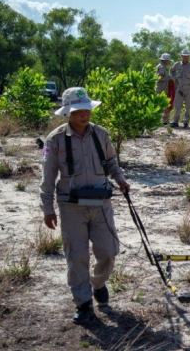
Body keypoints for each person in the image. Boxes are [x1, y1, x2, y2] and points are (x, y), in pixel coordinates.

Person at [40, 87, 130, 324]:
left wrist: (120, 180)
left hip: (101, 204)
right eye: (78, 111)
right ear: (68, 113)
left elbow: (111, 161)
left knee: (109, 251)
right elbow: (48, 178)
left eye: (87, 109)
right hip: (71, 207)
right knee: (77, 256)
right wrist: (47, 209)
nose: (84, 114)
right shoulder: (55, 139)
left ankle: (97, 283)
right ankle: (83, 302)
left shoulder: (101, 134)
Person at [169, 49, 190, 128]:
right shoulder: (177, 65)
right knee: (177, 106)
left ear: (189, 57)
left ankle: (186, 122)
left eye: (187, 56)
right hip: (179, 89)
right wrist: (174, 79)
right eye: (184, 56)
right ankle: (175, 122)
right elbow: (171, 71)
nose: (185, 57)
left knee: (188, 107)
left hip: (189, 90)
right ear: (181, 56)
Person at [156, 53, 173, 125]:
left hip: (159, 88)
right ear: (165, 60)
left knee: (159, 105)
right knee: (164, 104)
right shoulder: (162, 67)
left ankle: (159, 121)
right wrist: (168, 79)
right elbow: (159, 77)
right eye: (168, 60)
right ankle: (164, 121)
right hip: (161, 89)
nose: (169, 62)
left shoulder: (161, 66)